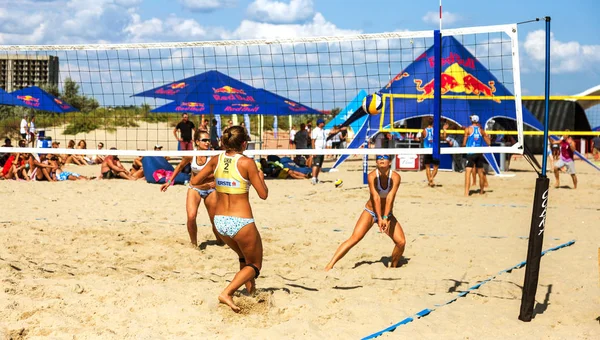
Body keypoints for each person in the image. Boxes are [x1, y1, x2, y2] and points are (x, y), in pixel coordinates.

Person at [190, 125, 268, 312]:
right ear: (243, 143)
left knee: (243, 257)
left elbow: (194, 181)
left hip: (220, 222)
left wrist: (216, 182)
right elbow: (263, 194)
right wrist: (260, 176)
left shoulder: (216, 159)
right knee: (255, 265)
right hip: (241, 222)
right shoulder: (247, 163)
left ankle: (252, 291)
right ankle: (227, 292)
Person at [325, 154, 406, 270]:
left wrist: (385, 217)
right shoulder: (372, 176)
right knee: (355, 238)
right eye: (379, 157)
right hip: (371, 211)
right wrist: (379, 218)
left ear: (390, 162)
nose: (382, 159)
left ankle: (393, 267)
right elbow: (376, 197)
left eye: (385, 157)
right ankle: (330, 265)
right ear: (376, 162)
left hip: (386, 213)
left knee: (401, 242)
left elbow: (390, 198)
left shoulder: (396, 177)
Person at [161, 130, 223, 247]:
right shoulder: (191, 155)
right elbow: (179, 167)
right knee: (191, 216)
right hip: (195, 188)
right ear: (197, 142)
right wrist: (169, 182)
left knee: (214, 219)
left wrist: (216, 182)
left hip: (211, 189)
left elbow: (223, 172)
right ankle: (194, 244)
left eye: (208, 140)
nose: (207, 142)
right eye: (204, 140)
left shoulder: (214, 156)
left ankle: (220, 241)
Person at [462, 115, 491, 196]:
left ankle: (466, 192)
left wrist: (463, 147)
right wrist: (486, 136)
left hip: (471, 153)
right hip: (479, 152)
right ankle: (481, 191)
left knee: (468, 172)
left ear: (472, 120)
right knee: (480, 172)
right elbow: (489, 143)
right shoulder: (481, 130)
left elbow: (464, 143)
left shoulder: (468, 129)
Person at [310, 119, 345, 185]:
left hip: (322, 151)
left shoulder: (323, 131)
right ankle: (313, 178)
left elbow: (333, 132)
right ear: (319, 123)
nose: (324, 123)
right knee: (315, 164)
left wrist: (340, 129)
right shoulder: (315, 131)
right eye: (323, 122)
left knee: (319, 165)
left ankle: (316, 178)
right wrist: (314, 151)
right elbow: (312, 141)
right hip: (317, 150)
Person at [421, 117, 440, 187]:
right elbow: (441, 137)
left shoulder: (424, 131)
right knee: (436, 166)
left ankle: (430, 181)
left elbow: (421, 139)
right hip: (434, 150)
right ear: (433, 123)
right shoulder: (436, 130)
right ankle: (431, 179)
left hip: (427, 150)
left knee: (427, 167)